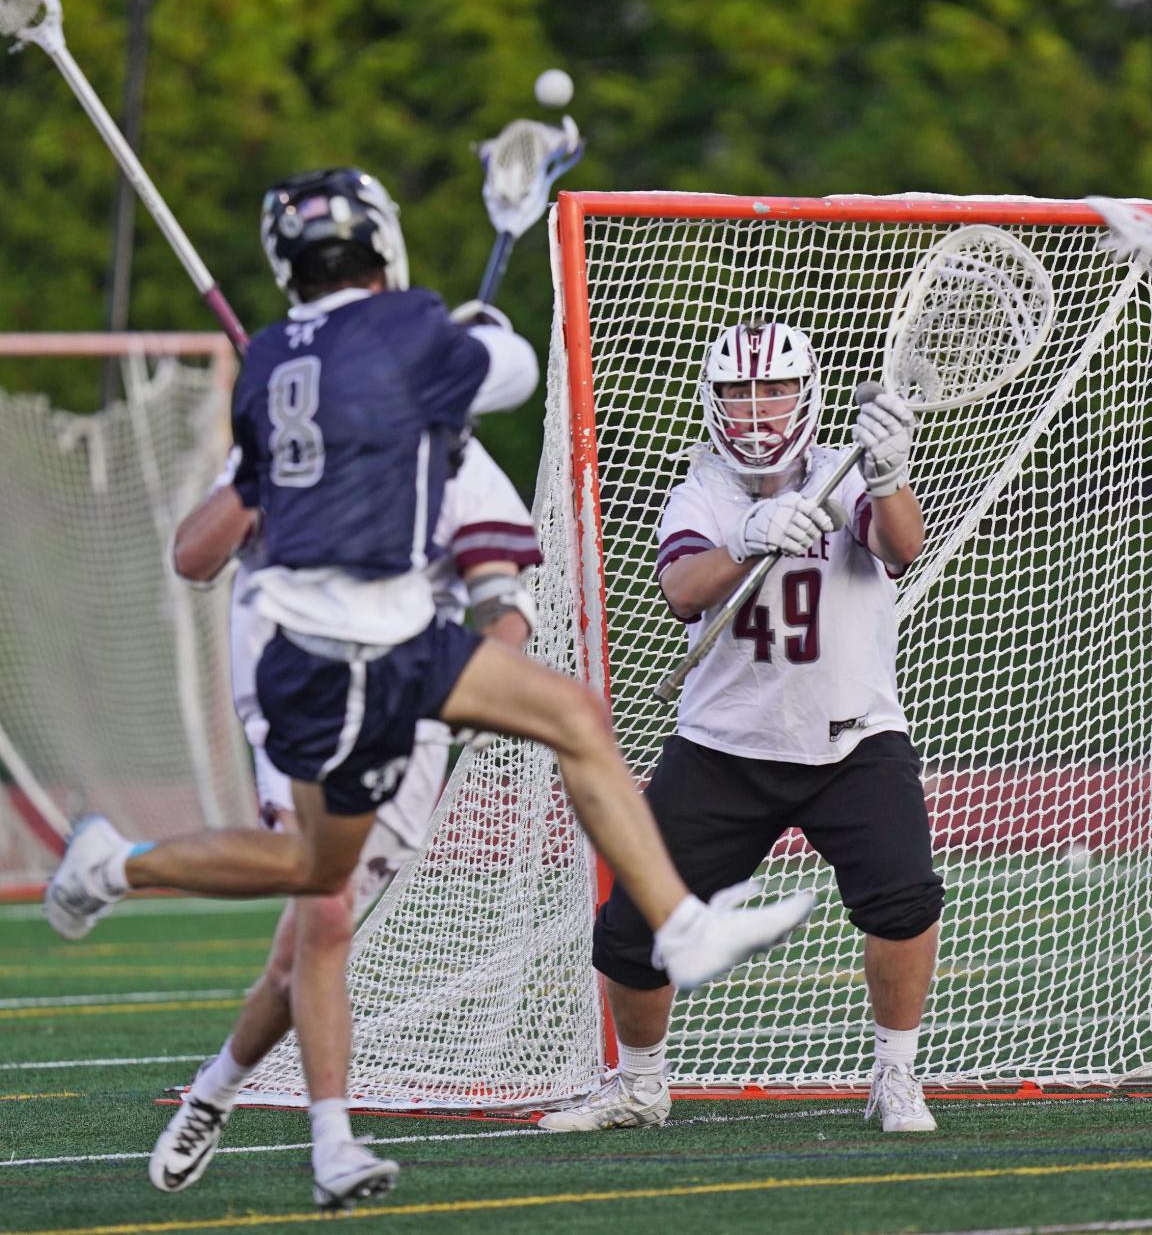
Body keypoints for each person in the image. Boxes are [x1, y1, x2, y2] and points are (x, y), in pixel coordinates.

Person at [42, 171, 817, 1208]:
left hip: (400, 639)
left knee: (569, 717)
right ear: (384, 251)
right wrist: (468, 341)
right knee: (315, 883)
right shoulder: (405, 334)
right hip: (321, 662)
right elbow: (511, 364)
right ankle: (130, 886)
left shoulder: (274, 363)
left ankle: (678, 924)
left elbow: (494, 581)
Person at [539, 319, 944, 1135]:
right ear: (712, 400)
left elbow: (900, 545)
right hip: (724, 744)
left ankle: (895, 1078)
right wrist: (746, 536)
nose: (758, 407)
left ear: (808, 393)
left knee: (904, 898)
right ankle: (641, 1087)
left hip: (852, 737)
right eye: (738, 390)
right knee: (631, 930)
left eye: (775, 388)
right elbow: (685, 589)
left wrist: (892, 475)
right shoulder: (699, 494)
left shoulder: (845, 474)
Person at [146, 430, 540, 1198]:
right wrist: (259, 469)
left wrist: (478, 683)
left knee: (301, 951)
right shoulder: (289, 431)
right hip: (299, 707)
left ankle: (214, 1091)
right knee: (323, 913)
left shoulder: (455, 453)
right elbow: (193, 559)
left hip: (406, 723)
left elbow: (506, 611)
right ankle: (333, 1144)